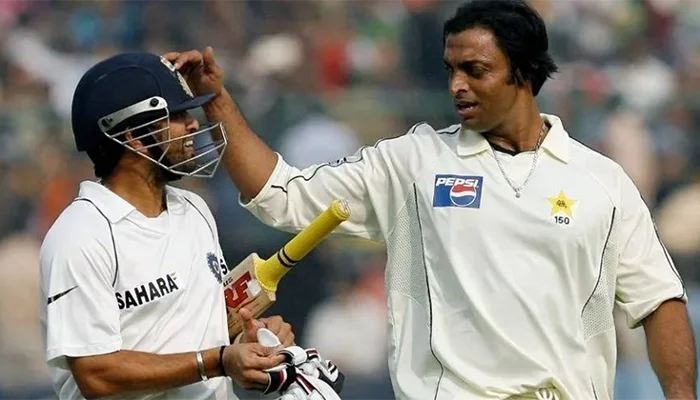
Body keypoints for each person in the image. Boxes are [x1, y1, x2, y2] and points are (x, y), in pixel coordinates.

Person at [164, 0, 696, 399]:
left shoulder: (601, 180)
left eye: (476, 70)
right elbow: (278, 195)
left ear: (525, 72)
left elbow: (659, 301)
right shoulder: (412, 161)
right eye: (450, 70)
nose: (457, 86)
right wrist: (219, 104)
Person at [39, 51, 296, 400]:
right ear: (132, 134)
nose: (193, 125)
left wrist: (247, 340)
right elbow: (95, 373)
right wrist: (218, 361)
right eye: (175, 115)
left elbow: (200, 325)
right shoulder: (81, 236)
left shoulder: (194, 208)